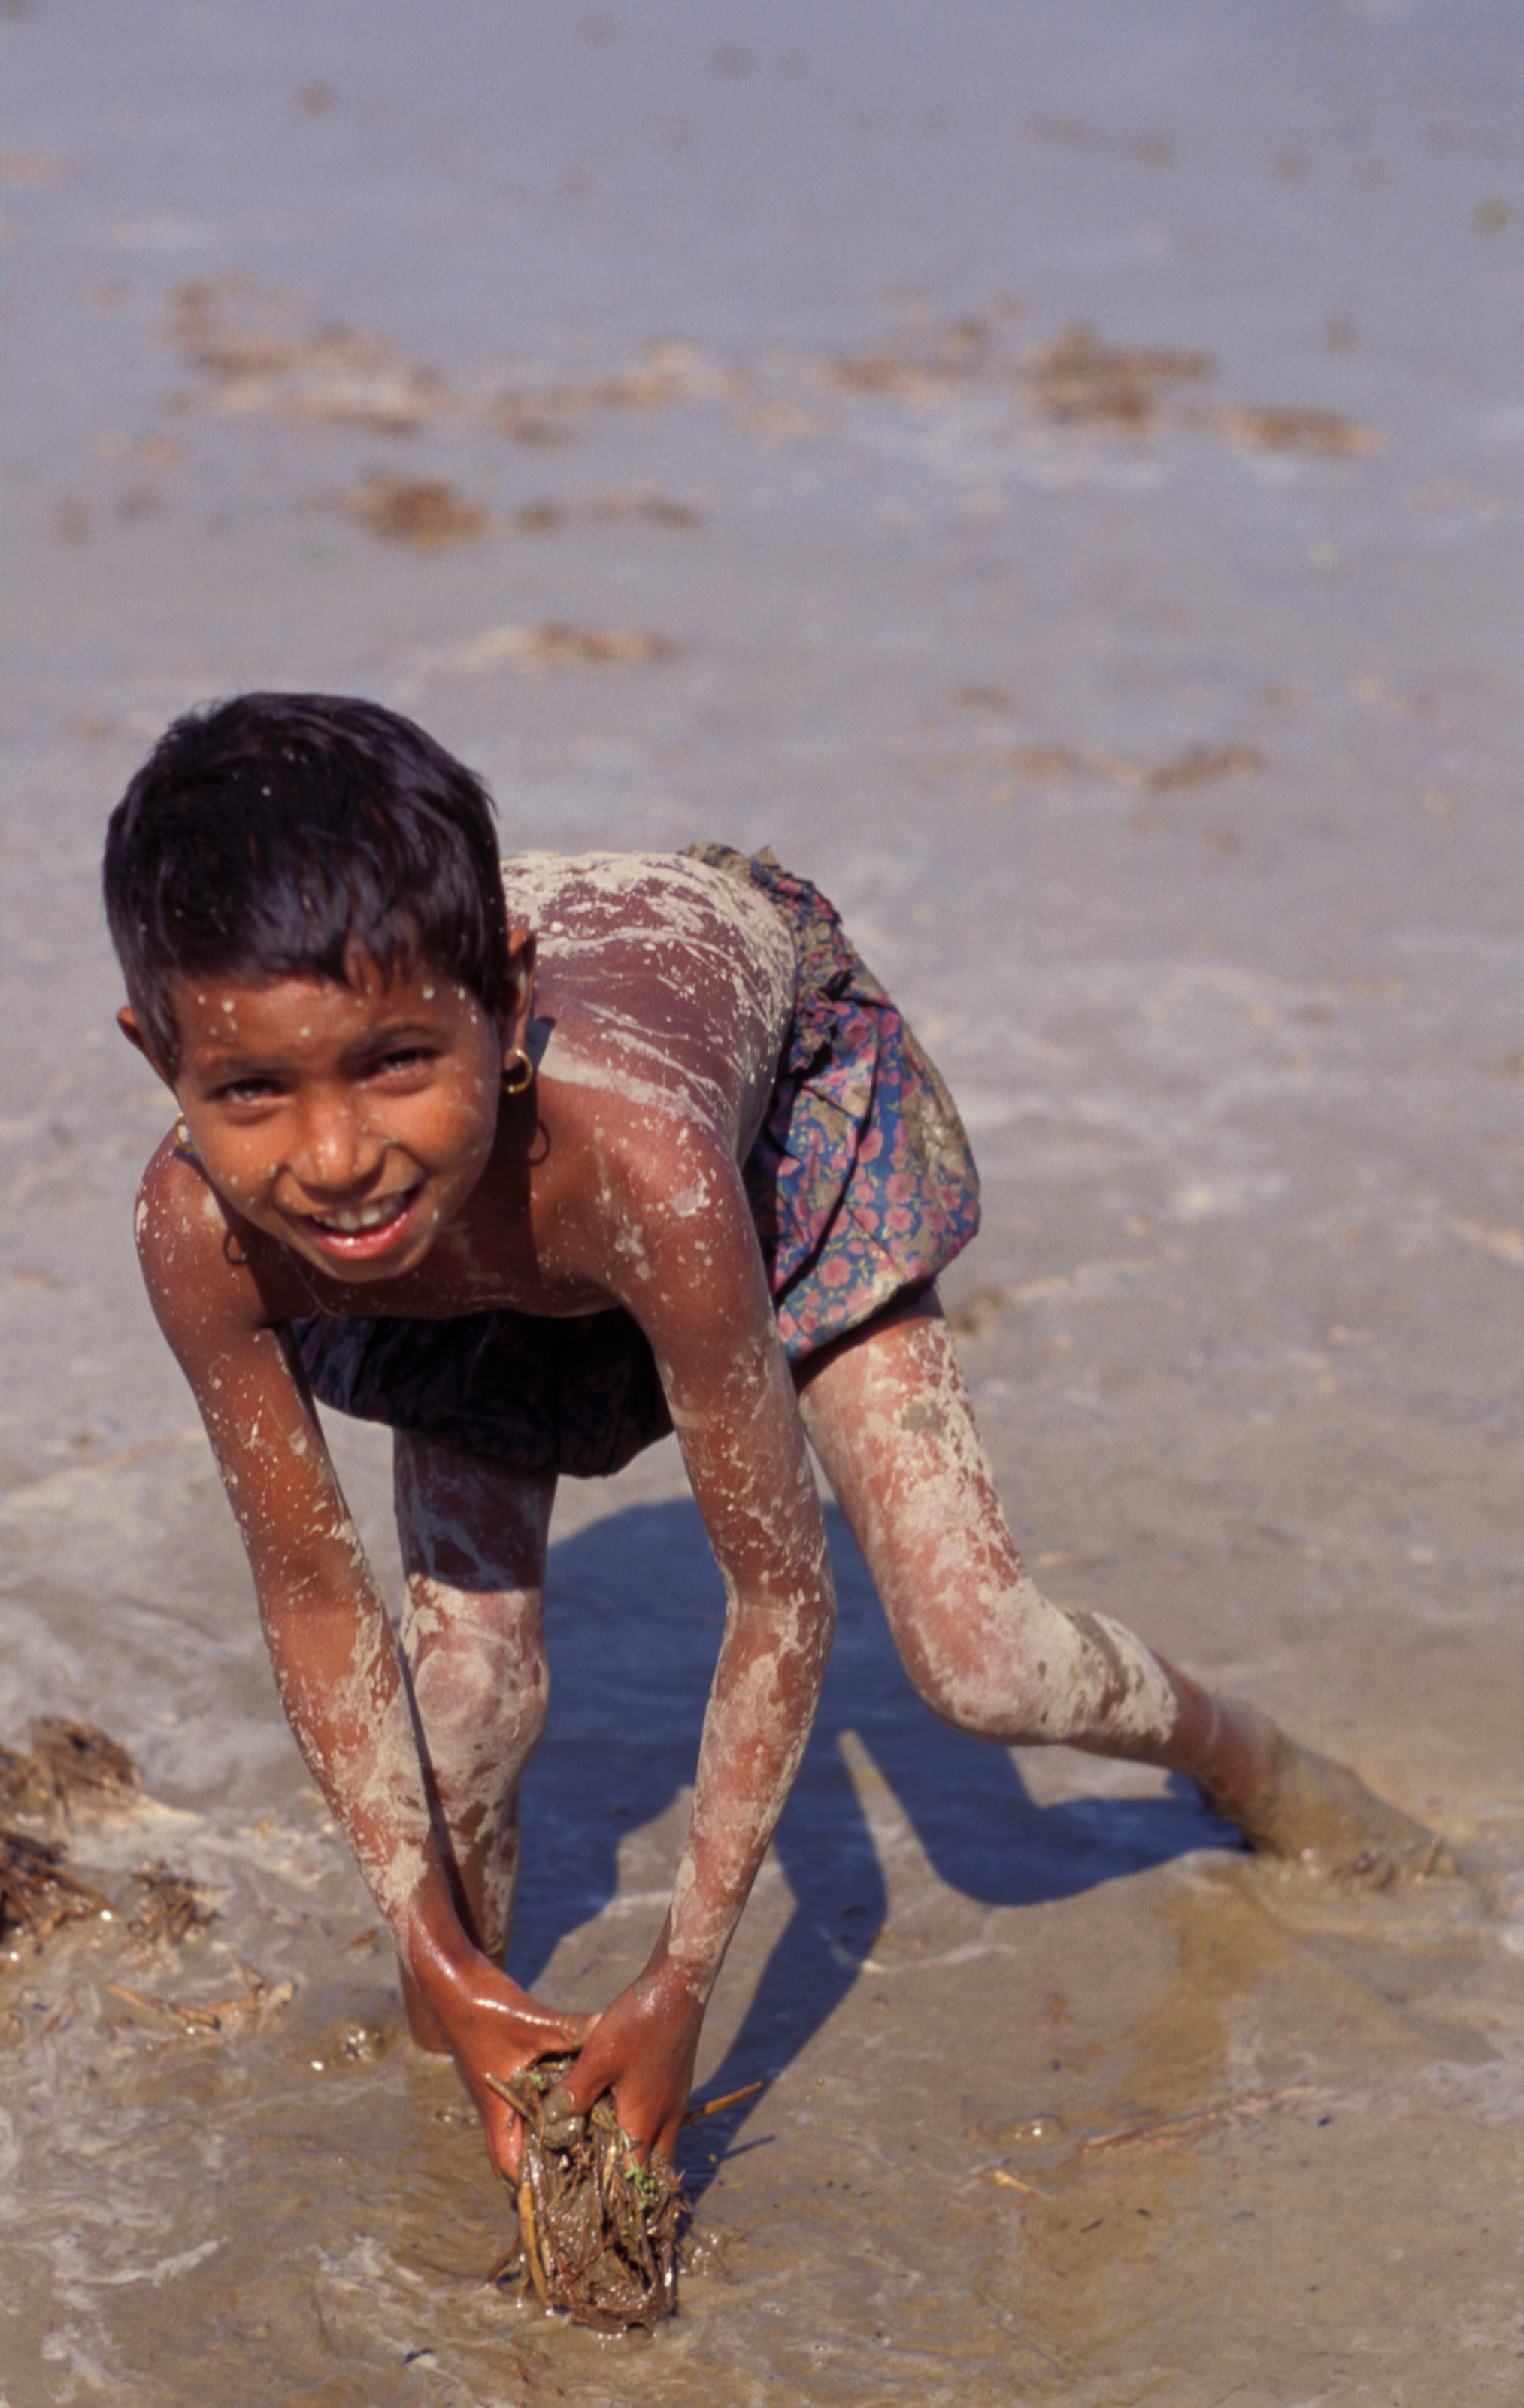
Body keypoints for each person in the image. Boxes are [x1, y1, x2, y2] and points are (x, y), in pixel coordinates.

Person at [103, 692, 1447, 2182]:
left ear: (500, 1002)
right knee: (465, 1698)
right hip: (485, 1201)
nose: (336, 1154)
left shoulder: (649, 1165)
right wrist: (431, 1945)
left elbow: (777, 1589)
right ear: (158, 1059)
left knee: (980, 1657)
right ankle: (468, 2041)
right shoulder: (205, 1229)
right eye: (249, 1092)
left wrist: (682, 1982)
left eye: (390, 1065)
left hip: (739, 1103)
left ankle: (1249, 1758)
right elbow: (309, 1594)